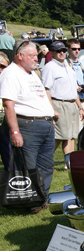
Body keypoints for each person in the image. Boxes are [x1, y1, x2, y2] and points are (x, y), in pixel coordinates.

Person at [0, 41, 56, 211]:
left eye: (37, 56)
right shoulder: (10, 74)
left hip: (44, 124)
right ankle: (31, 202)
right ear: (20, 55)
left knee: (46, 165)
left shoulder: (31, 73)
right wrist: (15, 131)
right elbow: (9, 105)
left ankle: (41, 199)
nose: (36, 59)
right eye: (32, 56)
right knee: (29, 167)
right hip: (27, 124)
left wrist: (50, 115)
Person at [40, 41, 84, 161]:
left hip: (72, 104)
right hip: (59, 103)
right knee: (59, 136)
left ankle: (69, 163)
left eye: (63, 51)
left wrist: (80, 107)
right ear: (52, 53)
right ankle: (44, 161)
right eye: (58, 51)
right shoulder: (50, 68)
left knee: (71, 136)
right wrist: (52, 109)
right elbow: (46, 90)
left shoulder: (68, 67)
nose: (61, 53)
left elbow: (73, 89)